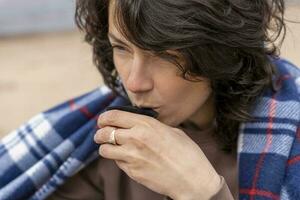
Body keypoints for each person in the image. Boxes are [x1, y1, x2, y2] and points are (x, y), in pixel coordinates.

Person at [0, 0, 299, 199]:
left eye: (166, 56)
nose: (134, 82)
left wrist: (203, 192)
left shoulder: (290, 142)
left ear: (221, 51)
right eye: (121, 48)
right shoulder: (91, 146)